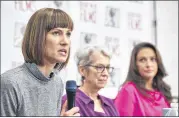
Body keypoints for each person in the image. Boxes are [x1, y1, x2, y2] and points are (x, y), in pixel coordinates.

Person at [1, 8, 80, 116]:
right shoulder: (10, 82)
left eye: (68, 34)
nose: (65, 41)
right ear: (37, 37)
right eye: (56, 33)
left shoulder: (57, 83)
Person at [114, 42, 172, 116]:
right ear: (135, 64)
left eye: (153, 59)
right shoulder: (129, 90)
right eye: (142, 60)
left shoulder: (163, 89)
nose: (148, 64)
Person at [62, 46, 119, 116]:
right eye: (99, 67)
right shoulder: (69, 101)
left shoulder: (109, 103)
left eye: (107, 67)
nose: (106, 73)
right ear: (82, 70)